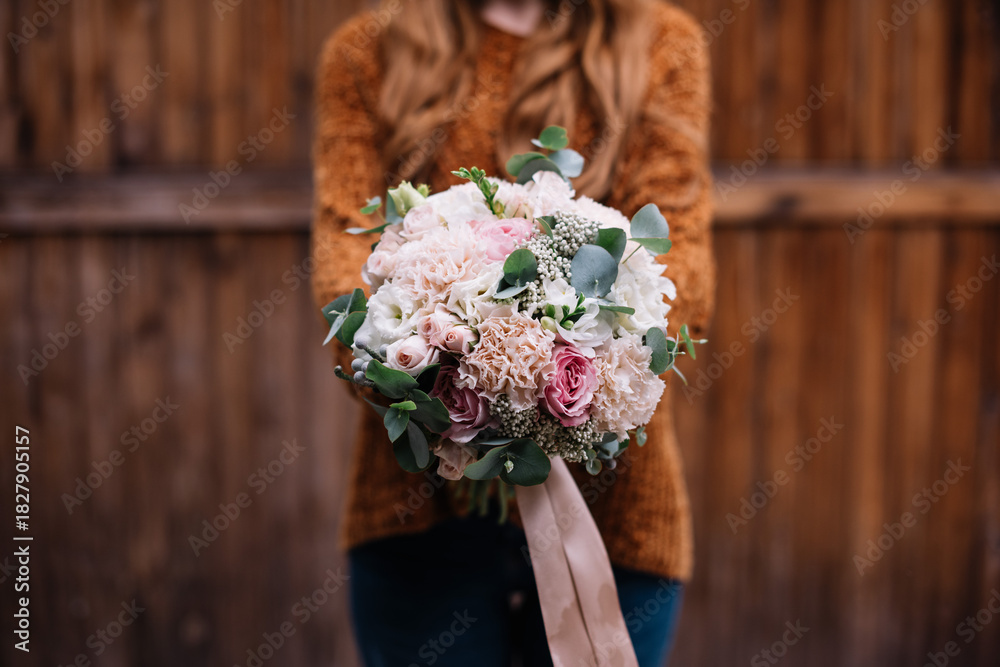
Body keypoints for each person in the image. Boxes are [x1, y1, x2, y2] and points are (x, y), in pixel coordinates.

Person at [310, 0, 715, 664]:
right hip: (419, 521)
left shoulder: (661, 44)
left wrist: (548, 375)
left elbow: (680, 262)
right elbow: (341, 263)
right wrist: (450, 374)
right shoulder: (367, 52)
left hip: (615, 518)